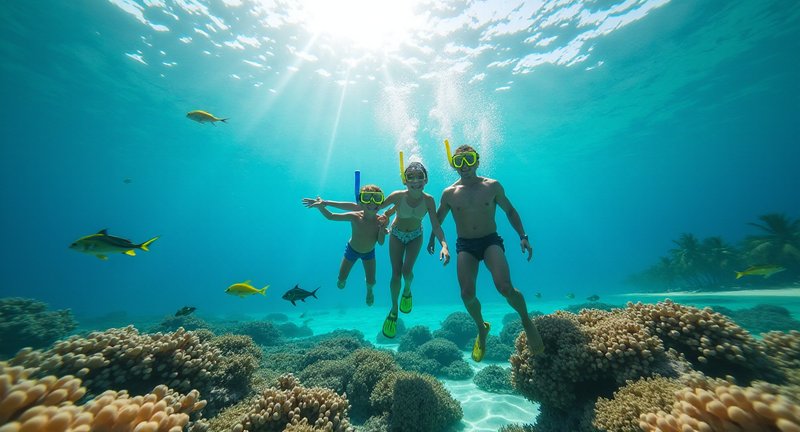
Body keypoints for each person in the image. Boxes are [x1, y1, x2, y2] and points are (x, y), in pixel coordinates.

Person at [305, 162, 450, 338]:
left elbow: (435, 224)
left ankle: (407, 291)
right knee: (396, 274)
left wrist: (444, 245)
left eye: (419, 176)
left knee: (407, 273)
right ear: (405, 180)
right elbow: (362, 206)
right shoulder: (397, 196)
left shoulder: (429, 200)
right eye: (410, 176)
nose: (415, 180)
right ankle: (394, 309)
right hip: (396, 234)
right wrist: (326, 203)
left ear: (425, 179)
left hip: (415, 236)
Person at [428, 144, 545, 361]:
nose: (465, 166)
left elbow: (510, 211)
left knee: (505, 287)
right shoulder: (449, 193)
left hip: (490, 241)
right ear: (454, 165)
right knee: (466, 294)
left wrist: (523, 236)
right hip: (465, 245)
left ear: (477, 161)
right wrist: (436, 242)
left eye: (469, 159)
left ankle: (526, 320)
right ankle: (481, 328)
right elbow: (438, 219)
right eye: (459, 162)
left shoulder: (492, 186)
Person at [305, 184, 388, 306]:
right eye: (367, 198)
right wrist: (321, 207)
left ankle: (369, 291)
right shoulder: (355, 216)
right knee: (341, 281)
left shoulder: (380, 221)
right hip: (351, 251)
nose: (372, 202)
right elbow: (331, 216)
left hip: (369, 253)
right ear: (361, 202)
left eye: (376, 198)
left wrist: (382, 229)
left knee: (372, 281)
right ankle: (342, 279)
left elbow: (380, 243)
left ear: (381, 202)